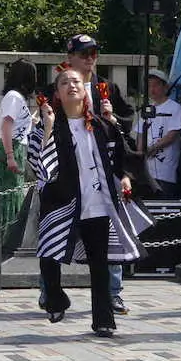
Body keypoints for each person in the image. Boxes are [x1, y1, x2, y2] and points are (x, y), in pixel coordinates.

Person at [31, 67, 153, 337]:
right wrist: (49, 126)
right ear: (58, 94)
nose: (71, 86)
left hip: (97, 203)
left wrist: (124, 178)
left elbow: (121, 158)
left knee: (100, 264)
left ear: (85, 90)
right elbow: (41, 167)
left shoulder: (100, 125)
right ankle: (55, 299)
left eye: (76, 82)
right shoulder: (47, 126)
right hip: (61, 202)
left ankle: (103, 320)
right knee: (48, 255)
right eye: (65, 83)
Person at [60, 33, 137, 315]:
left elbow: (124, 128)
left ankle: (112, 293)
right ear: (70, 58)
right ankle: (50, 289)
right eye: (84, 54)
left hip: (103, 173)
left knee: (111, 232)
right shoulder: (61, 87)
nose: (90, 58)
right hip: (72, 174)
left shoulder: (106, 87)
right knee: (60, 231)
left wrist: (112, 119)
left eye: (93, 53)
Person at [0, 59, 37, 237]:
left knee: (13, 197)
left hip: (15, 148)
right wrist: (10, 155)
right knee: (7, 198)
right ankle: (2, 241)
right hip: (10, 149)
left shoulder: (15, 98)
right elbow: (6, 126)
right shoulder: (14, 97)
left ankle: (5, 240)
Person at [135, 69, 181, 199]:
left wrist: (153, 148)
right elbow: (140, 134)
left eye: (156, 85)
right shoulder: (146, 109)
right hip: (147, 173)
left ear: (165, 87)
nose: (152, 89)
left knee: (164, 206)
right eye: (149, 85)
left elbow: (173, 134)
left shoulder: (175, 108)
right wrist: (141, 152)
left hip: (165, 172)